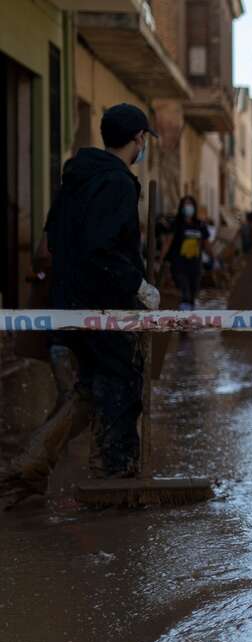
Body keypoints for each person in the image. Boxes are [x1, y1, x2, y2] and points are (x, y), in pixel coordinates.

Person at [1, 103, 161, 501]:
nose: (144, 146)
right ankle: (113, 477)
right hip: (103, 307)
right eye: (144, 140)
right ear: (138, 139)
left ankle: (31, 464)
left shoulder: (77, 177)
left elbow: (52, 239)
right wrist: (137, 284)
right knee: (122, 388)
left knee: (87, 389)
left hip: (69, 302)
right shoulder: (118, 184)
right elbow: (102, 249)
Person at [163, 195, 208, 311]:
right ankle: (183, 322)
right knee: (185, 294)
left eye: (190, 204)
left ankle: (190, 322)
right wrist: (162, 261)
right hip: (179, 265)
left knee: (193, 294)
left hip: (195, 266)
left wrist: (214, 260)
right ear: (181, 207)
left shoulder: (200, 225)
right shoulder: (176, 224)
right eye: (186, 204)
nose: (188, 207)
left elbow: (206, 243)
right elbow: (167, 242)